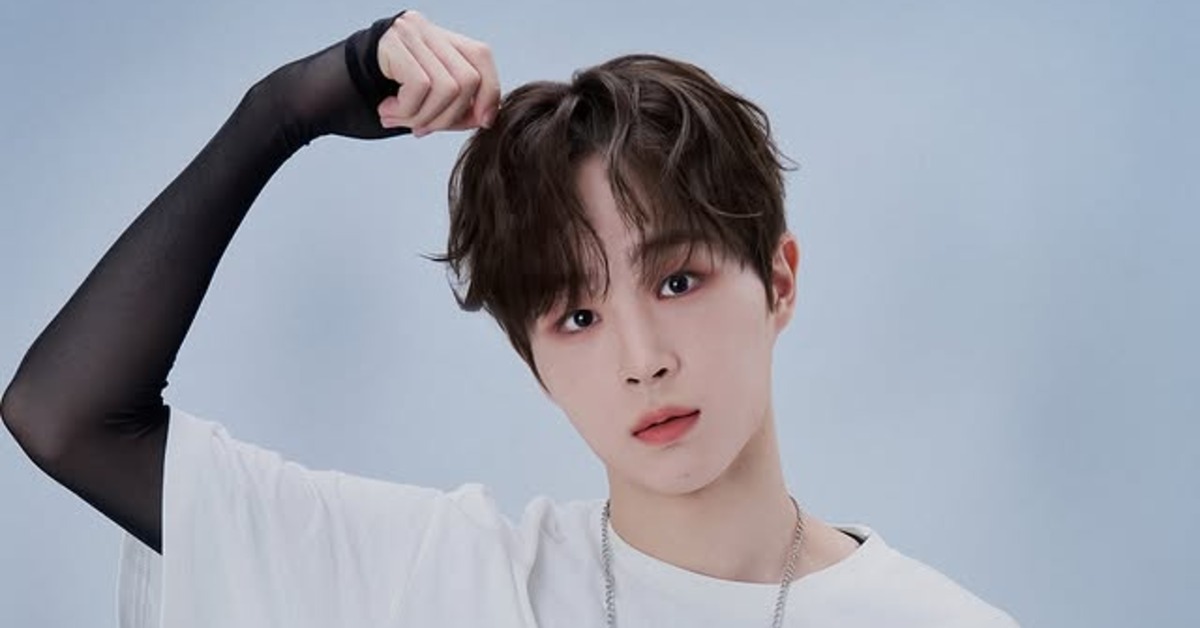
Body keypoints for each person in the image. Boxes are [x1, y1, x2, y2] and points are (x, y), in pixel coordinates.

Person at [0, 9, 1019, 628]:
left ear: (779, 281)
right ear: (532, 355)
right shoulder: (443, 580)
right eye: (576, 315)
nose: (642, 359)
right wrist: (284, 109)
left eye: (677, 281)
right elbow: (67, 417)